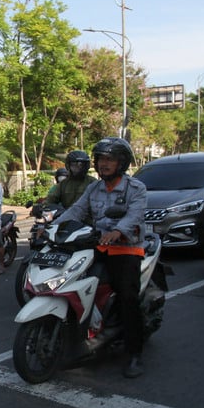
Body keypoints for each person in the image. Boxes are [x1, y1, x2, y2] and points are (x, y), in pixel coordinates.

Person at [57, 138, 149, 378]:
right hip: (98, 245)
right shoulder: (94, 188)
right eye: (100, 159)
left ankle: (134, 354)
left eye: (110, 159)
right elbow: (77, 210)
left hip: (126, 248)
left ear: (121, 163)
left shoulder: (135, 188)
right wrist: (52, 227)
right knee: (71, 283)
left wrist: (118, 231)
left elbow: (135, 215)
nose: (104, 164)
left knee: (127, 297)